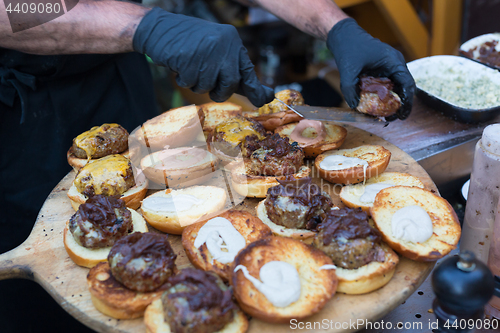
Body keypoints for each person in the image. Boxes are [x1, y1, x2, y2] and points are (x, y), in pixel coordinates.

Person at [0, 0, 415, 331]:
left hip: (114, 75)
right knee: (44, 298)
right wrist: (143, 27)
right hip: (22, 117)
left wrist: (334, 25)